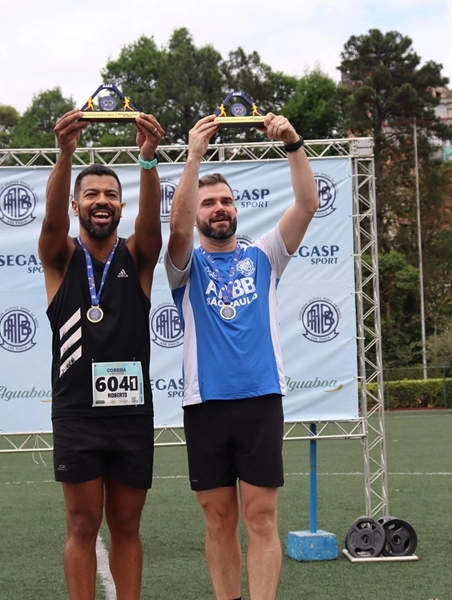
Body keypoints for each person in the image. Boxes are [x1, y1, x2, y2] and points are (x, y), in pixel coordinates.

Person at [165, 113, 317, 600]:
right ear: (196, 213)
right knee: (218, 520)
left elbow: (308, 204)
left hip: (260, 401)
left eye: (227, 200)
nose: (219, 208)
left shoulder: (265, 255)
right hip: (205, 405)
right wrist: (193, 156)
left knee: (262, 518)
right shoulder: (184, 265)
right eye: (208, 202)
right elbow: (174, 223)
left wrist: (292, 142)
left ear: (237, 208)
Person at [40, 108, 164, 600]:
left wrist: (148, 160)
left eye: (111, 194)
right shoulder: (60, 256)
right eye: (91, 194)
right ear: (76, 206)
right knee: (81, 524)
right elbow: (49, 219)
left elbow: (152, 224)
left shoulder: (137, 257)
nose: (101, 201)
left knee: (128, 526)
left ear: (121, 205)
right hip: (78, 416)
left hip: (132, 414)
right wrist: (65, 154)